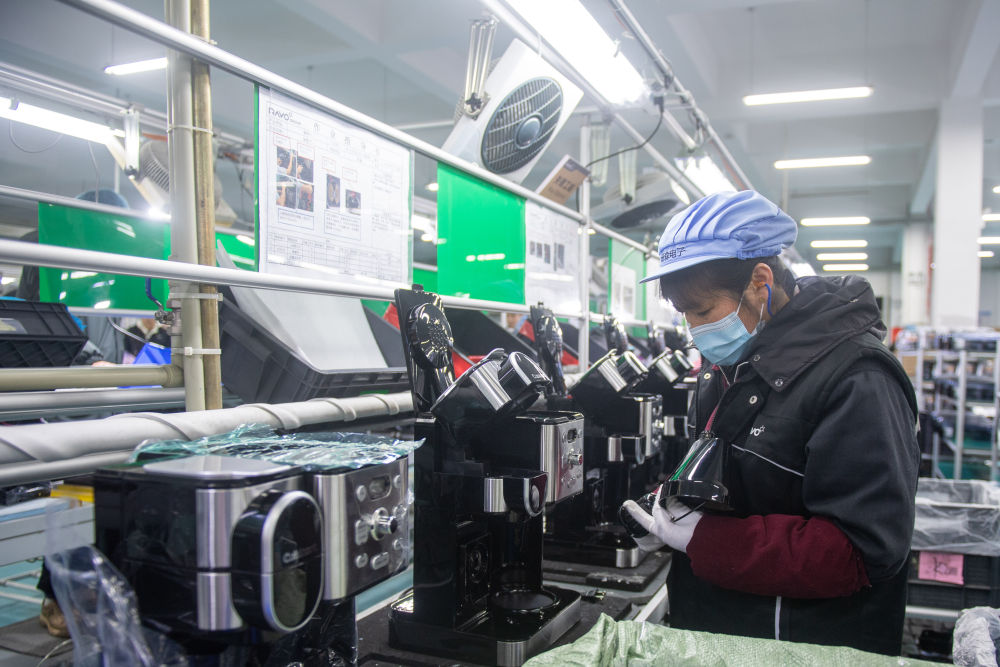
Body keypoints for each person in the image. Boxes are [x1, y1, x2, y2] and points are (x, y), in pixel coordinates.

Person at [623, 190, 919, 655]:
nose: (695, 331)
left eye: (703, 311)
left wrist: (706, 539)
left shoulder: (858, 379)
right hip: (722, 631)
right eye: (685, 315)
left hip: (802, 649)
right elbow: (738, 476)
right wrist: (672, 512)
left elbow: (864, 550)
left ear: (761, 281)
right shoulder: (729, 364)